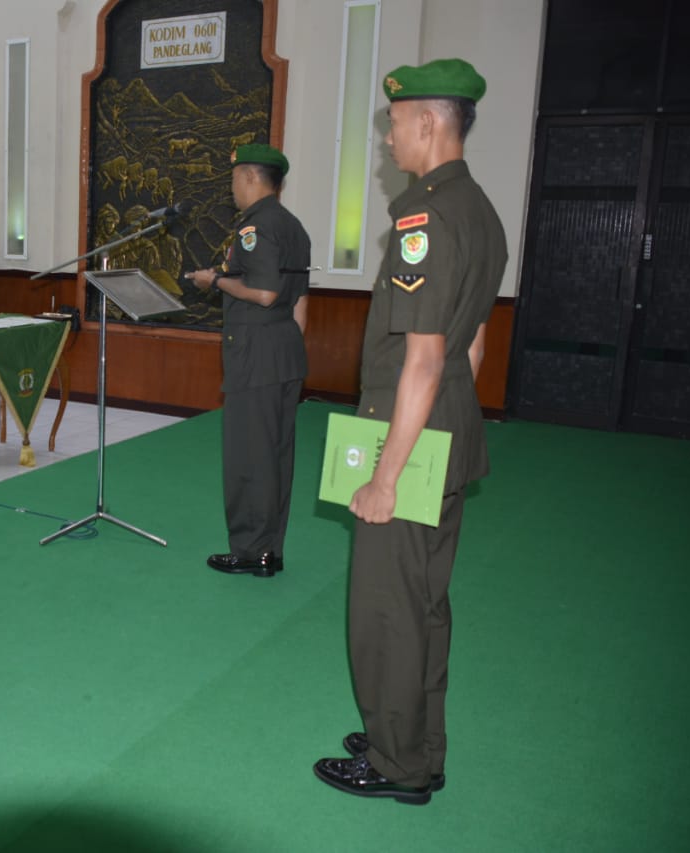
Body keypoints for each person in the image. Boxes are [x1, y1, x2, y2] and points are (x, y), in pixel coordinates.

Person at [312, 58, 507, 806]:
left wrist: (386, 476)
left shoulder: (425, 218)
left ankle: (397, 763)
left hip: (410, 430)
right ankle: (417, 739)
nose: (389, 137)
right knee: (425, 600)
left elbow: (423, 355)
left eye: (394, 122)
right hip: (451, 426)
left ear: (429, 121)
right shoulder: (480, 210)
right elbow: (476, 346)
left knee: (388, 607)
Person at [186, 143, 310, 579]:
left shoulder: (254, 228)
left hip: (255, 355)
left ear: (252, 178)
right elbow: (299, 305)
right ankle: (269, 549)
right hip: (285, 353)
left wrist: (215, 279)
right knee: (276, 456)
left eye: (235, 177)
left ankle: (249, 551)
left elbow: (264, 292)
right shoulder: (294, 227)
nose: (232, 186)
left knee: (248, 457)